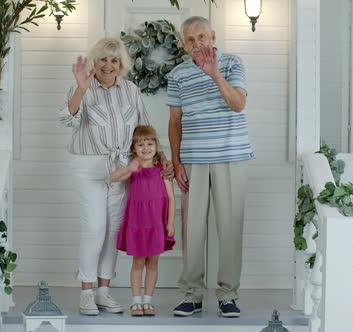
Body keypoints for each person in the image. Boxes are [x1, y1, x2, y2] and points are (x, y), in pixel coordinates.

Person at [59, 37, 172, 316]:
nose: (108, 65)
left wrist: (162, 158)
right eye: (103, 59)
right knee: (95, 226)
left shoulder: (131, 90)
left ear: (121, 64)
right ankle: (86, 291)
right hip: (89, 166)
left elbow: (145, 128)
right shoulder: (82, 87)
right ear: (94, 62)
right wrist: (81, 91)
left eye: (114, 60)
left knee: (112, 230)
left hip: (122, 169)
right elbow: (67, 119)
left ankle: (103, 292)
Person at [167, 16, 254, 318]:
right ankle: (192, 295)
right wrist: (176, 161)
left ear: (213, 36)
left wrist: (215, 75)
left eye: (202, 37)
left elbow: (239, 104)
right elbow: (175, 121)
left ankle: (228, 295)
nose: (197, 44)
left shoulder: (231, 63)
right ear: (183, 44)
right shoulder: (177, 74)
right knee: (192, 231)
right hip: (193, 161)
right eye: (190, 40)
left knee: (230, 228)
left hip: (231, 157)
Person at [109, 125, 176, 317]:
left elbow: (171, 198)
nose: (145, 148)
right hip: (138, 224)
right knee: (138, 263)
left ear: (156, 145)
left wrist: (170, 223)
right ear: (134, 148)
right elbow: (112, 178)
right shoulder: (134, 168)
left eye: (149, 143)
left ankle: (148, 300)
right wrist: (128, 168)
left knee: (153, 263)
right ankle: (136, 301)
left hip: (156, 225)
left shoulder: (162, 170)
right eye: (140, 145)